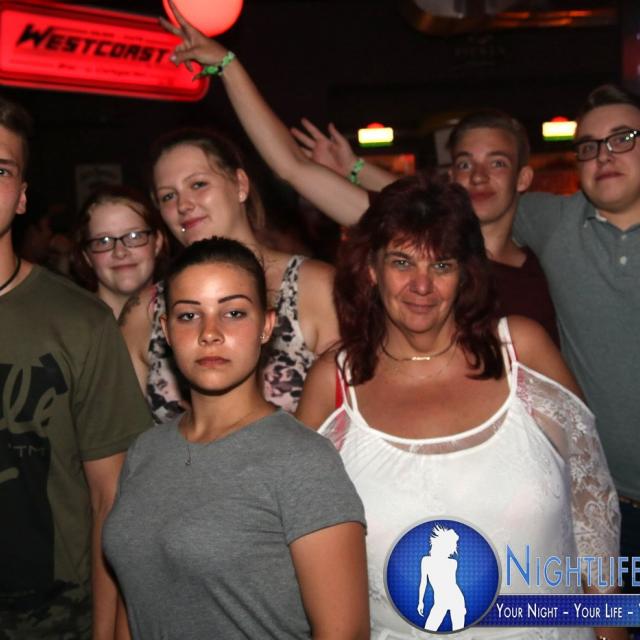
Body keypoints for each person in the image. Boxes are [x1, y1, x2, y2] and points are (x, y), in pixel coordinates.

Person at [297, 174, 623, 640]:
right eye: (402, 262)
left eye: (442, 264)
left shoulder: (523, 352)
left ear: (465, 273)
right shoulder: (332, 383)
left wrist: (613, 632)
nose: (422, 285)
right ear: (371, 269)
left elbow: (591, 507)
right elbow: (301, 543)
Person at [103, 237, 369, 640]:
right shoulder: (145, 451)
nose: (210, 333)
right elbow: (134, 597)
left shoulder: (303, 460)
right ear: (166, 330)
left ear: (266, 326)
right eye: (189, 315)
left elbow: (344, 633)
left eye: (233, 313)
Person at [0, 96, 151, 638]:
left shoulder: (81, 321)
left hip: (51, 619)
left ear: (22, 196)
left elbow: (112, 498)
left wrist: (108, 631)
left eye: (0, 170)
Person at [511, 85, 640, 588]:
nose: (603, 155)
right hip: (599, 508)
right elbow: (450, 205)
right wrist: (354, 169)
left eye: (622, 138)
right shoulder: (556, 222)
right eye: (589, 146)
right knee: (606, 619)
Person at [293, 112, 560, 345]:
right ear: (452, 178)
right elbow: (293, 168)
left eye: (497, 163)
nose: (479, 176)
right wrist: (354, 167)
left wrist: (356, 168)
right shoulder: (423, 253)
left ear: (523, 178)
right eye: (465, 164)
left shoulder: (544, 271)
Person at [71, 185, 165, 319]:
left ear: (157, 243)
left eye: (134, 236)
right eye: (103, 241)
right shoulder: (66, 325)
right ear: (86, 255)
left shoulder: (185, 319)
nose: (120, 252)